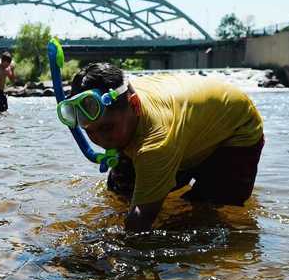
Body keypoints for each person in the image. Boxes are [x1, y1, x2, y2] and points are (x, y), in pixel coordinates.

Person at [64, 63, 264, 232]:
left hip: (234, 129)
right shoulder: (122, 106)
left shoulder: (155, 143)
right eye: (90, 132)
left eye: (107, 128)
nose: (101, 140)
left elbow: (139, 222)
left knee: (203, 216)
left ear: (134, 105)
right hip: (186, 122)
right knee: (120, 192)